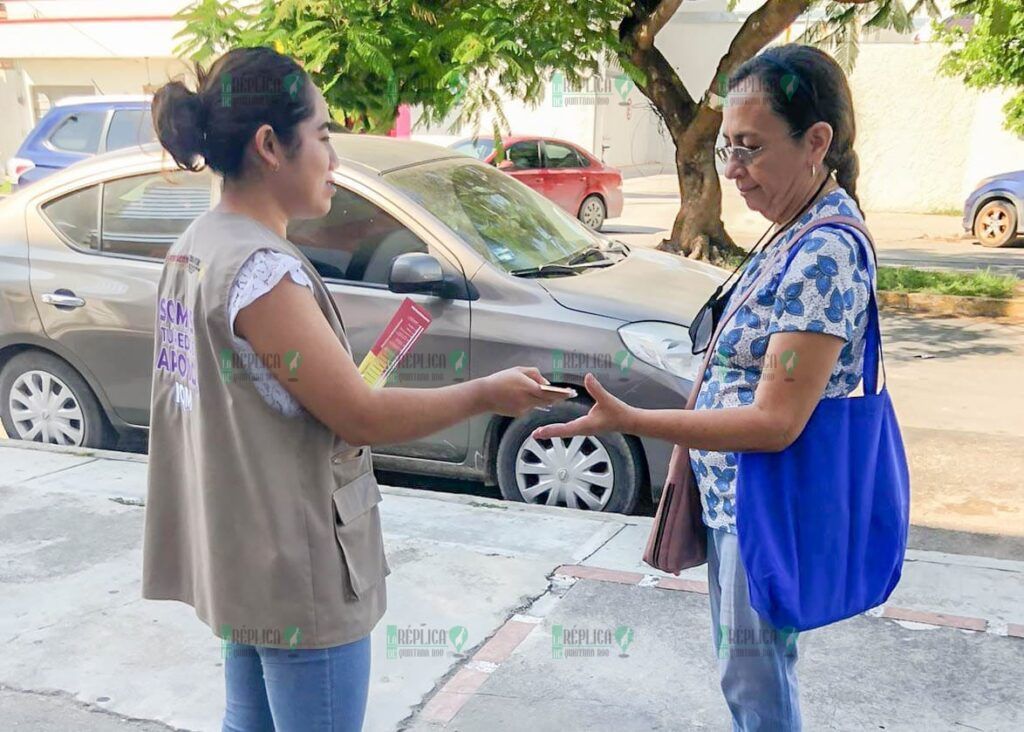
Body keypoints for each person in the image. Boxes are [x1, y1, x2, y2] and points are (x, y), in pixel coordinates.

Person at [141, 46, 570, 732]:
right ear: (269, 146)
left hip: (240, 552)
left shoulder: (198, 245)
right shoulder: (261, 269)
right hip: (299, 566)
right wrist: (486, 393)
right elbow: (360, 416)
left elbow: (258, 399)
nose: (334, 159)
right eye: (322, 135)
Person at [533, 44, 876, 730]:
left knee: (756, 683)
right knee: (748, 674)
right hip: (740, 502)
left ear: (817, 142)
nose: (734, 170)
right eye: (726, 148)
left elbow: (774, 421)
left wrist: (637, 418)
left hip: (767, 507)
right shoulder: (790, 230)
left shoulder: (826, 251)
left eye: (750, 148)